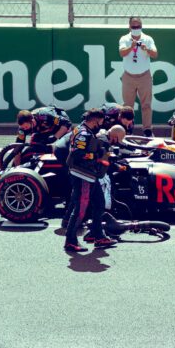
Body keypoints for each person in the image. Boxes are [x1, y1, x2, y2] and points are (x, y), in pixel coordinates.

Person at [63, 109, 116, 254]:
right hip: (82, 176)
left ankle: (97, 235)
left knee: (99, 203)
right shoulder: (83, 133)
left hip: (90, 175)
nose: (101, 124)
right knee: (80, 209)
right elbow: (77, 153)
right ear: (94, 120)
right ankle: (70, 241)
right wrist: (98, 156)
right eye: (100, 122)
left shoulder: (82, 129)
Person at [118, 16, 158, 137]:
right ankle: (127, 128)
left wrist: (147, 49)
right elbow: (122, 53)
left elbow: (155, 54)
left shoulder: (148, 39)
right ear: (129, 27)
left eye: (139, 26)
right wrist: (132, 46)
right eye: (134, 26)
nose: (137, 28)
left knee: (146, 104)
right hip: (129, 76)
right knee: (127, 106)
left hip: (144, 76)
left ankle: (147, 129)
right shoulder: (124, 39)